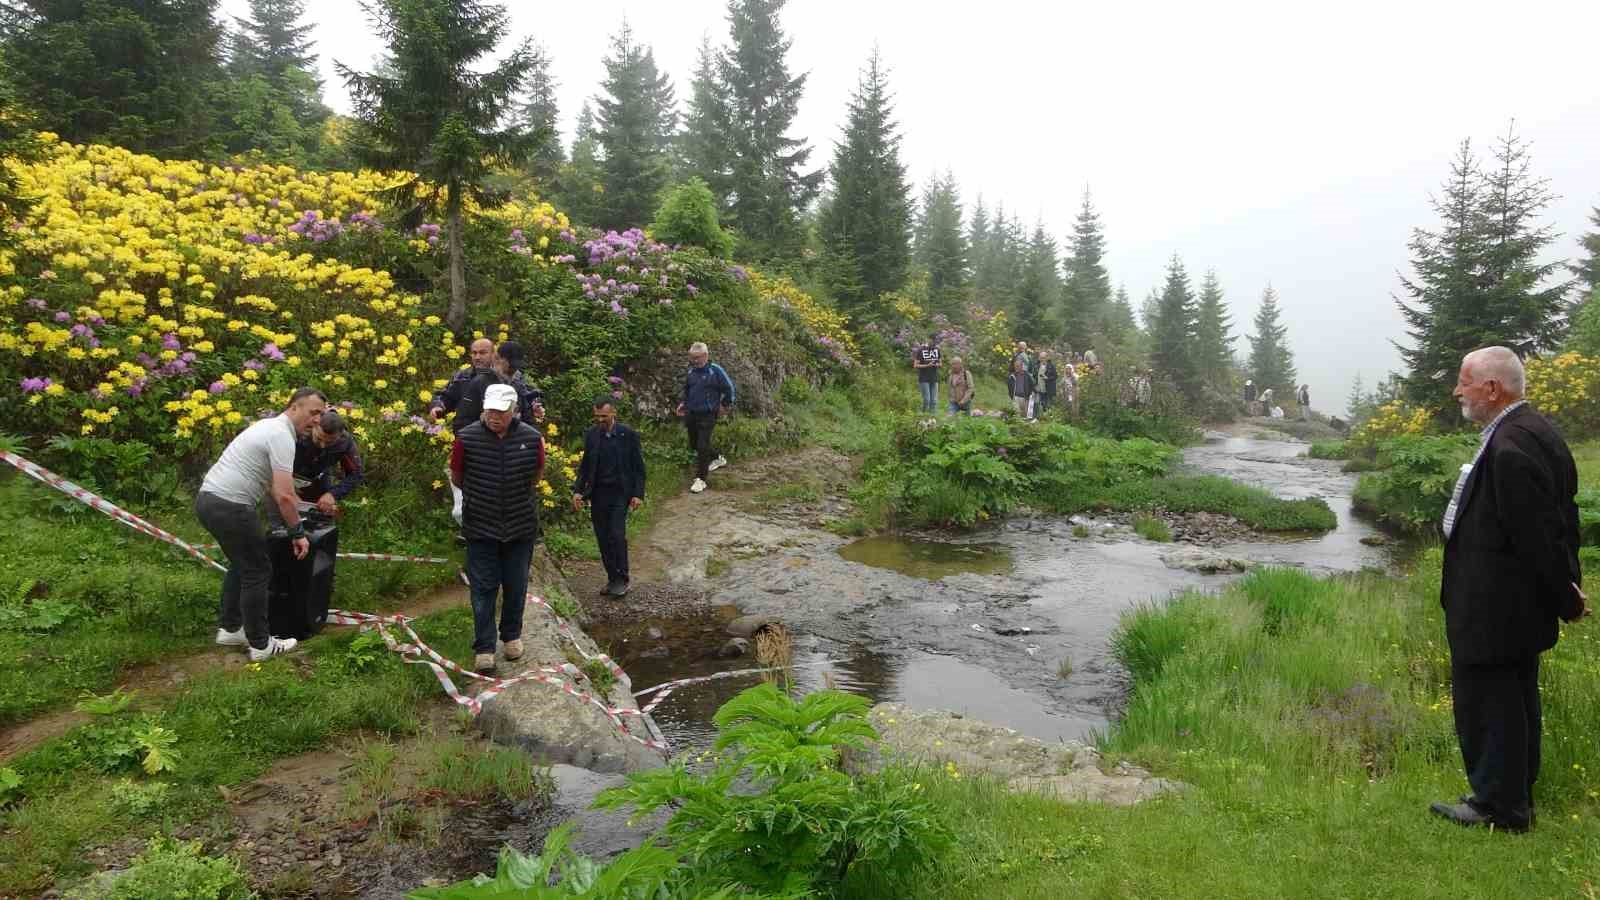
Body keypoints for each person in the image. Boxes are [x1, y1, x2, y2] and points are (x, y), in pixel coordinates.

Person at [1429, 347, 1587, 834]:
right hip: (1511, 607)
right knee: (1514, 703)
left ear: (1492, 389)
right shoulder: (1533, 430)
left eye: (1464, 381)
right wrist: (1568, 585)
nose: (1458, 391)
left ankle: (1499, 807)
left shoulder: (1510, 445)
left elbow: (1539, 534)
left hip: (1494, 607)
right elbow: (1565, 521)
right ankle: (1509, 796)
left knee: (1488, 703)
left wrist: (1565, 594)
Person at [197, 387, 327, 661]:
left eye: (321, 415)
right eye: (313, 412)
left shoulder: (267, 427)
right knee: (258, 570)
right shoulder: (281, 436)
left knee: (242, 565)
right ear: (294, 407)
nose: (317, 420)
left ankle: (231, 629)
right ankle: (261, 644)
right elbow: (284, 495)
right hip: (231, 505)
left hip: (208, 500)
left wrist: (286, 516)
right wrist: (297, 533)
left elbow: (272, 487)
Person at [450, 384, 544, 673]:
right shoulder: (466, 439)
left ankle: (512, 636)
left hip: (520, 524)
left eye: (501, 412)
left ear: (513, 410)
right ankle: (485, 647)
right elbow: (457, 476)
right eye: (490, 410)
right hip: (481, 525)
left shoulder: (532, 438)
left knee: (516, 584)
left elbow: (537, 475)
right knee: (483, 588)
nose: (494, 416)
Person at [574, 398, 646, 597]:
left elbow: (638, 467)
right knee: (602, 538)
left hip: (620, 493)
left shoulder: (628, 435)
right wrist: (578, 490)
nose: (600, 420)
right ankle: (612, 578)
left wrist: (637, 494)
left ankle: (623, 578)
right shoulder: (591, 435)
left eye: (604, 416)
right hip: (598, 494)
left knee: (616, 535)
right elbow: (585, 466)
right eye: (597, 416)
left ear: (613, 413)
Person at [430, 337, 498, 527]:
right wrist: (438, 407)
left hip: (496, 443)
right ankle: (468, 528)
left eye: (482, 352)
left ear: (493, 354)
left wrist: (536, 406)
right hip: (466, 442)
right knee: (463, 489)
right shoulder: (462, 376)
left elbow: (526, 396)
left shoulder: (503, 377)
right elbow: (444, 396)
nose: (477, 357)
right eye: (474, 353)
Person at [676, 341, 735, 494]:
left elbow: (729, 388)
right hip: (692, 413)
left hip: (708, 414)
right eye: (692, 358)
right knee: (694, 444)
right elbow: (688, 390)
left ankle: (701, 479)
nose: (694, 361)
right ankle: (718, 458)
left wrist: (724, 405)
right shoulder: (691, 372)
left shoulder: (715, 371)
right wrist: (683, 403)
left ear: (705, 356)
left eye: (697, 358)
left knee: (702, 446)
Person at [293, 410, 363, 516]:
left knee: (318, 519)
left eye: (329, 442)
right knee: (281, 518)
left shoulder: (345, 442)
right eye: (319, 438)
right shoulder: (298, 430)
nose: (322, 445)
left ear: (339, 435)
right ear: (315, 425)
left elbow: (356, 473)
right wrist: (288, 491)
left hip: (317, 480)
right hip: (285, 475)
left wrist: (333, 494)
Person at [913, 337, 942, 414]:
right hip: (924, 378)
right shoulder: (921, 350)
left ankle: (933, 418)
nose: (934, 343)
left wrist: (935, 365)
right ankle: (923, 415)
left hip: (934, 378)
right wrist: (927, 365)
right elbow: (915, 365)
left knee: (934, 400)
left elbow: (940, 363)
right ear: (929, 340)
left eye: (935, 341)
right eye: (932, 341)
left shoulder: (937, 350)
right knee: (927, 400)